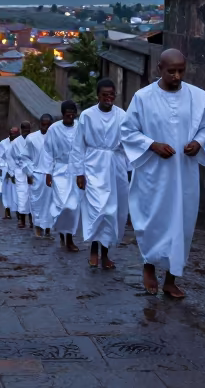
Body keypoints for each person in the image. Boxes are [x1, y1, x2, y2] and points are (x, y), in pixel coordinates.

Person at [120, 49, 205, 298]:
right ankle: (149, 266)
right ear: (159, 69)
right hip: (154, 173)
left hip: (184, 173)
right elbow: (128, 131)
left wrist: (198, 143)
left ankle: (171, 279)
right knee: (154, 220)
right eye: (171, 71)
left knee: (182, 224)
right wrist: (153, 145)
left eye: (181, 71)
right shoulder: (143, 98)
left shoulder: (197, 97)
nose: (176, 76)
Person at [78, 78, 128, 270]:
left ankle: (105, 253)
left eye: (112, 94)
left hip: (115, 167)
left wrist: (130, 169)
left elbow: (128, 143)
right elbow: (78, 146)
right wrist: (79, 172)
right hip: (93, 167)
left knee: (111, 212)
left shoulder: (122, 116)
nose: (109, 98)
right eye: (105, 94)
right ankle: (93, 249)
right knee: (97, 210)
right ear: (98, 95)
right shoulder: (87, 116)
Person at [45, 100, 82, 252]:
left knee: (73, 206)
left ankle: (70, 238)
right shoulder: (54, 129)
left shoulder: (80, 127)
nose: (71, 116)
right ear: (62, 114)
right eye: (68, 114)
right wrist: (48, 172)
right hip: (59, 171)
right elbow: (47, 152)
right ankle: (63, 234)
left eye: (73, 114)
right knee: (62, 205)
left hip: (75, 170)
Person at [28, 114, 55, 239]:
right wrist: (29, 173)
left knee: (51, 203)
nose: (46, 127)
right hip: (37, 175)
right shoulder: (31, 138)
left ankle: (48, 228)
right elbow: (24, 158)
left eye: (48, 125)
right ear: (39, 124)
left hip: (53, 175)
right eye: (43, 124)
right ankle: (38, 227)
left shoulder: (56, 137)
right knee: (37, 203)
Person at [9, 122, 37, 229]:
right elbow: (11, 157)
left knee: (33, 196)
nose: (26, 132)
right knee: (22, 196)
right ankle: (22, 220)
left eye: (28, 130)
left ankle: (32, 221)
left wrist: (31, 171)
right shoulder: (15, 142)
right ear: (21, 130)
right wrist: (12, 173)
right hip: (20, 171)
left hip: (33, 170)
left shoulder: (33, 140)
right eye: (24, 130)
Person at [0, 127, 20, 219]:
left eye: (15, 135)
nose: (13, 136)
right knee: (6, 192)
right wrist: (6, 170)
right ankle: (7, 211)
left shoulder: (21, 142)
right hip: (6, 172)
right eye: (11, 134)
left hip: (18, 171)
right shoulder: (3, 143)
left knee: (18, 193)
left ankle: (19, 213)